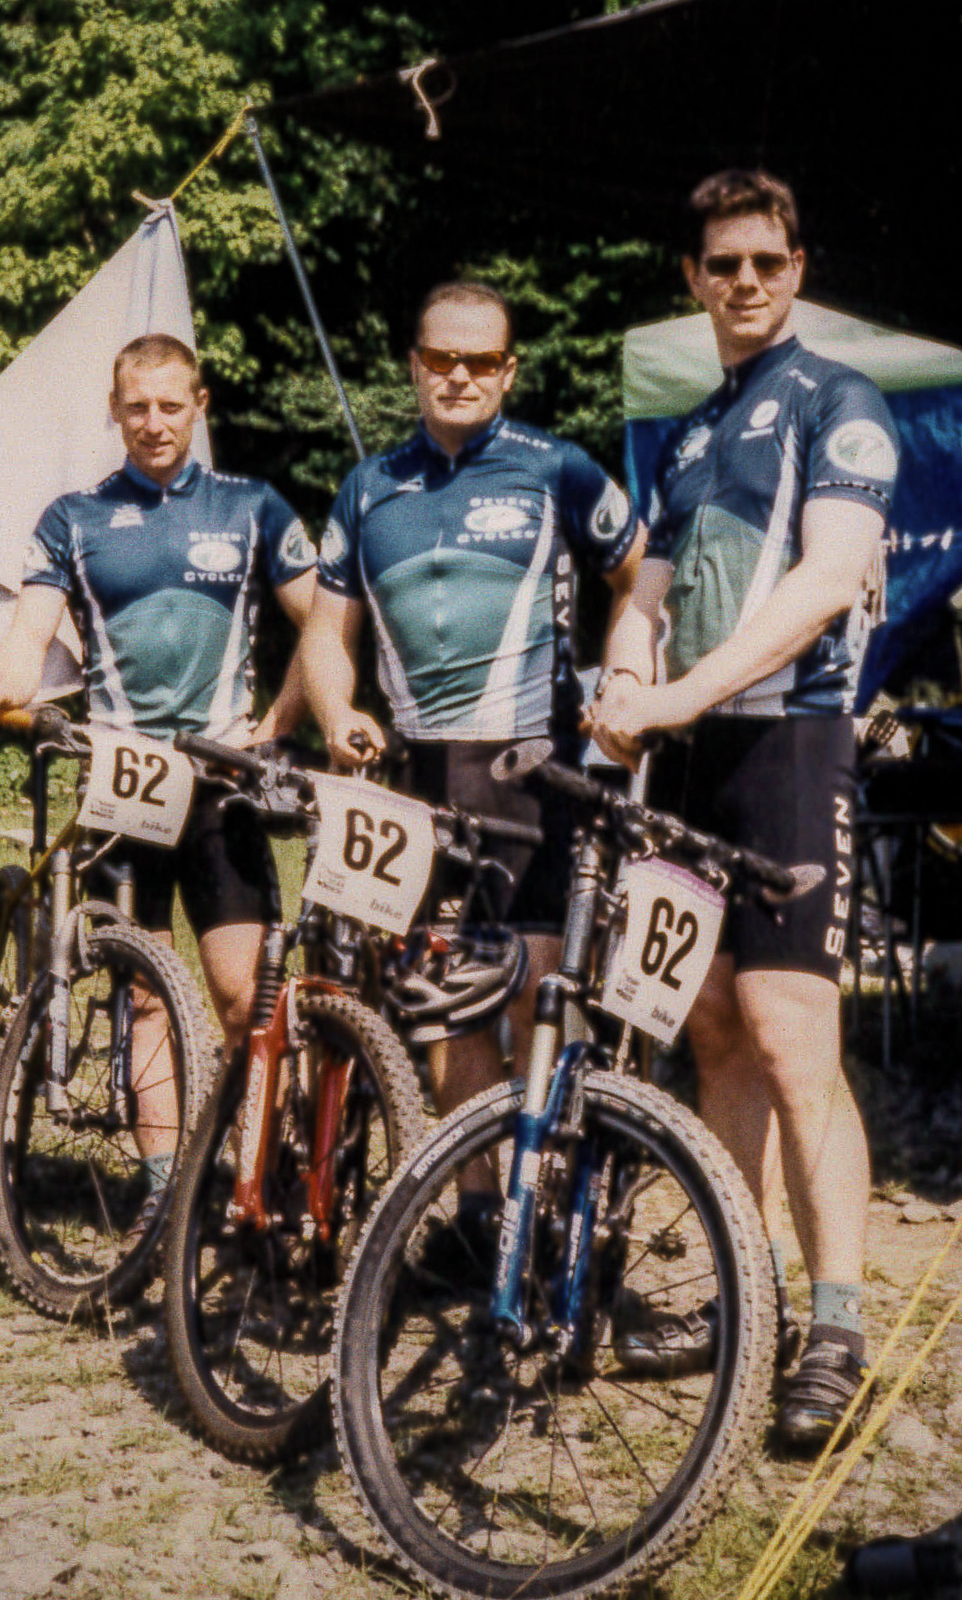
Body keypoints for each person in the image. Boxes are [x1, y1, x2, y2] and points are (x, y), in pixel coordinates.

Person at [589, 169, 897, 1451]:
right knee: (707, 1025)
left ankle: (835, 1323)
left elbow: (826, 581)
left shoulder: (841, 400)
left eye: (768, 260)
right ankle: (748, 1290)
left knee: (789, 1034)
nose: (747, 282)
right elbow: (647, 591)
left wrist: (677, 699)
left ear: (798, 268)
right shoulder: (694, 428)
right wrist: (623, 674)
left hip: (788, 744)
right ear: (693, 281)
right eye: (724, 265)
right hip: (691, 751)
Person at [0, 333, 317, 1229]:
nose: (154, 423)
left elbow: (327, 625)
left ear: (200, 406)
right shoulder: (72, 517)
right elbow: (30, 630)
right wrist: (1, 680)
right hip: (122, 775)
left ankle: (258, 1169)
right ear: (113, 413)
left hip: (222, 777)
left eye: (171, 405)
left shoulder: (253, 507)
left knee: (244, 996)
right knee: (143, 988)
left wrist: (279, 724)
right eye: (137, 407)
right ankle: (161, 1188)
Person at [301, 280, 645, 1157]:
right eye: (442, 358)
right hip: (419, 776)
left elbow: (645, 573)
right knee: (446, 997)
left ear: (508, 371)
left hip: (532, 771)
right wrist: (337, 708)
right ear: (415, 366)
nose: (459, 375)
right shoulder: (367, 487)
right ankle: (476, 1211)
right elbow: (325, 633)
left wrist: (631, 677)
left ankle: (564, 1189)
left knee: (536, 998)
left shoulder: (554, 465)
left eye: (480, 360)